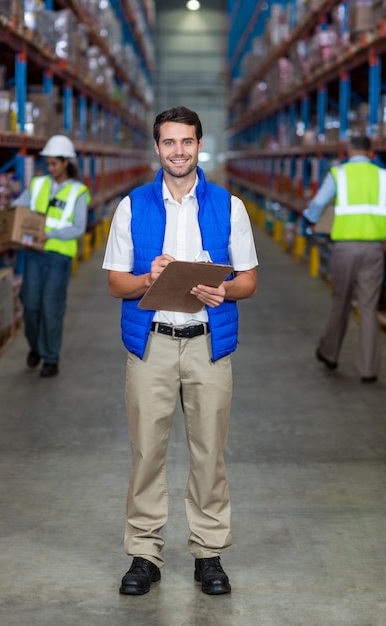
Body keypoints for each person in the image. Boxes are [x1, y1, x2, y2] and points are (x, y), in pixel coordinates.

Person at [102, 106, 258, 596]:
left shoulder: (230, 206)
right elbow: (114, 282)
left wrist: (223, 290)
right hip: (152, 346)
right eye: (169, 143)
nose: (178, 151)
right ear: (157, 148)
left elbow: (249, 280)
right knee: (147, 453)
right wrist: (148, 278)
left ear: (199, 145)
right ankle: (144, 553)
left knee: (209, 453)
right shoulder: (132, 206)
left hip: (208, 346)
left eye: (186, 142)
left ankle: (208, 554)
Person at [304, 134, 386, 383]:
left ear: (348, 151)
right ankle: (369, 370)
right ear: (371, 153)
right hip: (373, 250)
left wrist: (311, 217)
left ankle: (329, 354)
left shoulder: (338, 174)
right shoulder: (383, 176)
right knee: (369, 307)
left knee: (341, 302)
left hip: (345, 248)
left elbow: (318, 203)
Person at [13, 135, 91, 377]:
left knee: (51, 307)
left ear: (66, 162)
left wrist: (49, 234)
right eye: (47, 163)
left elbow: (78, 227)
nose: (50, 168)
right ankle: (36, 347)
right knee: (30, 305)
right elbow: (19, 209)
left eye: (54, 163)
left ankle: (51, 358)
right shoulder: (37, 185)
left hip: (59, 257)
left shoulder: (78, 191)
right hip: (34, 255)